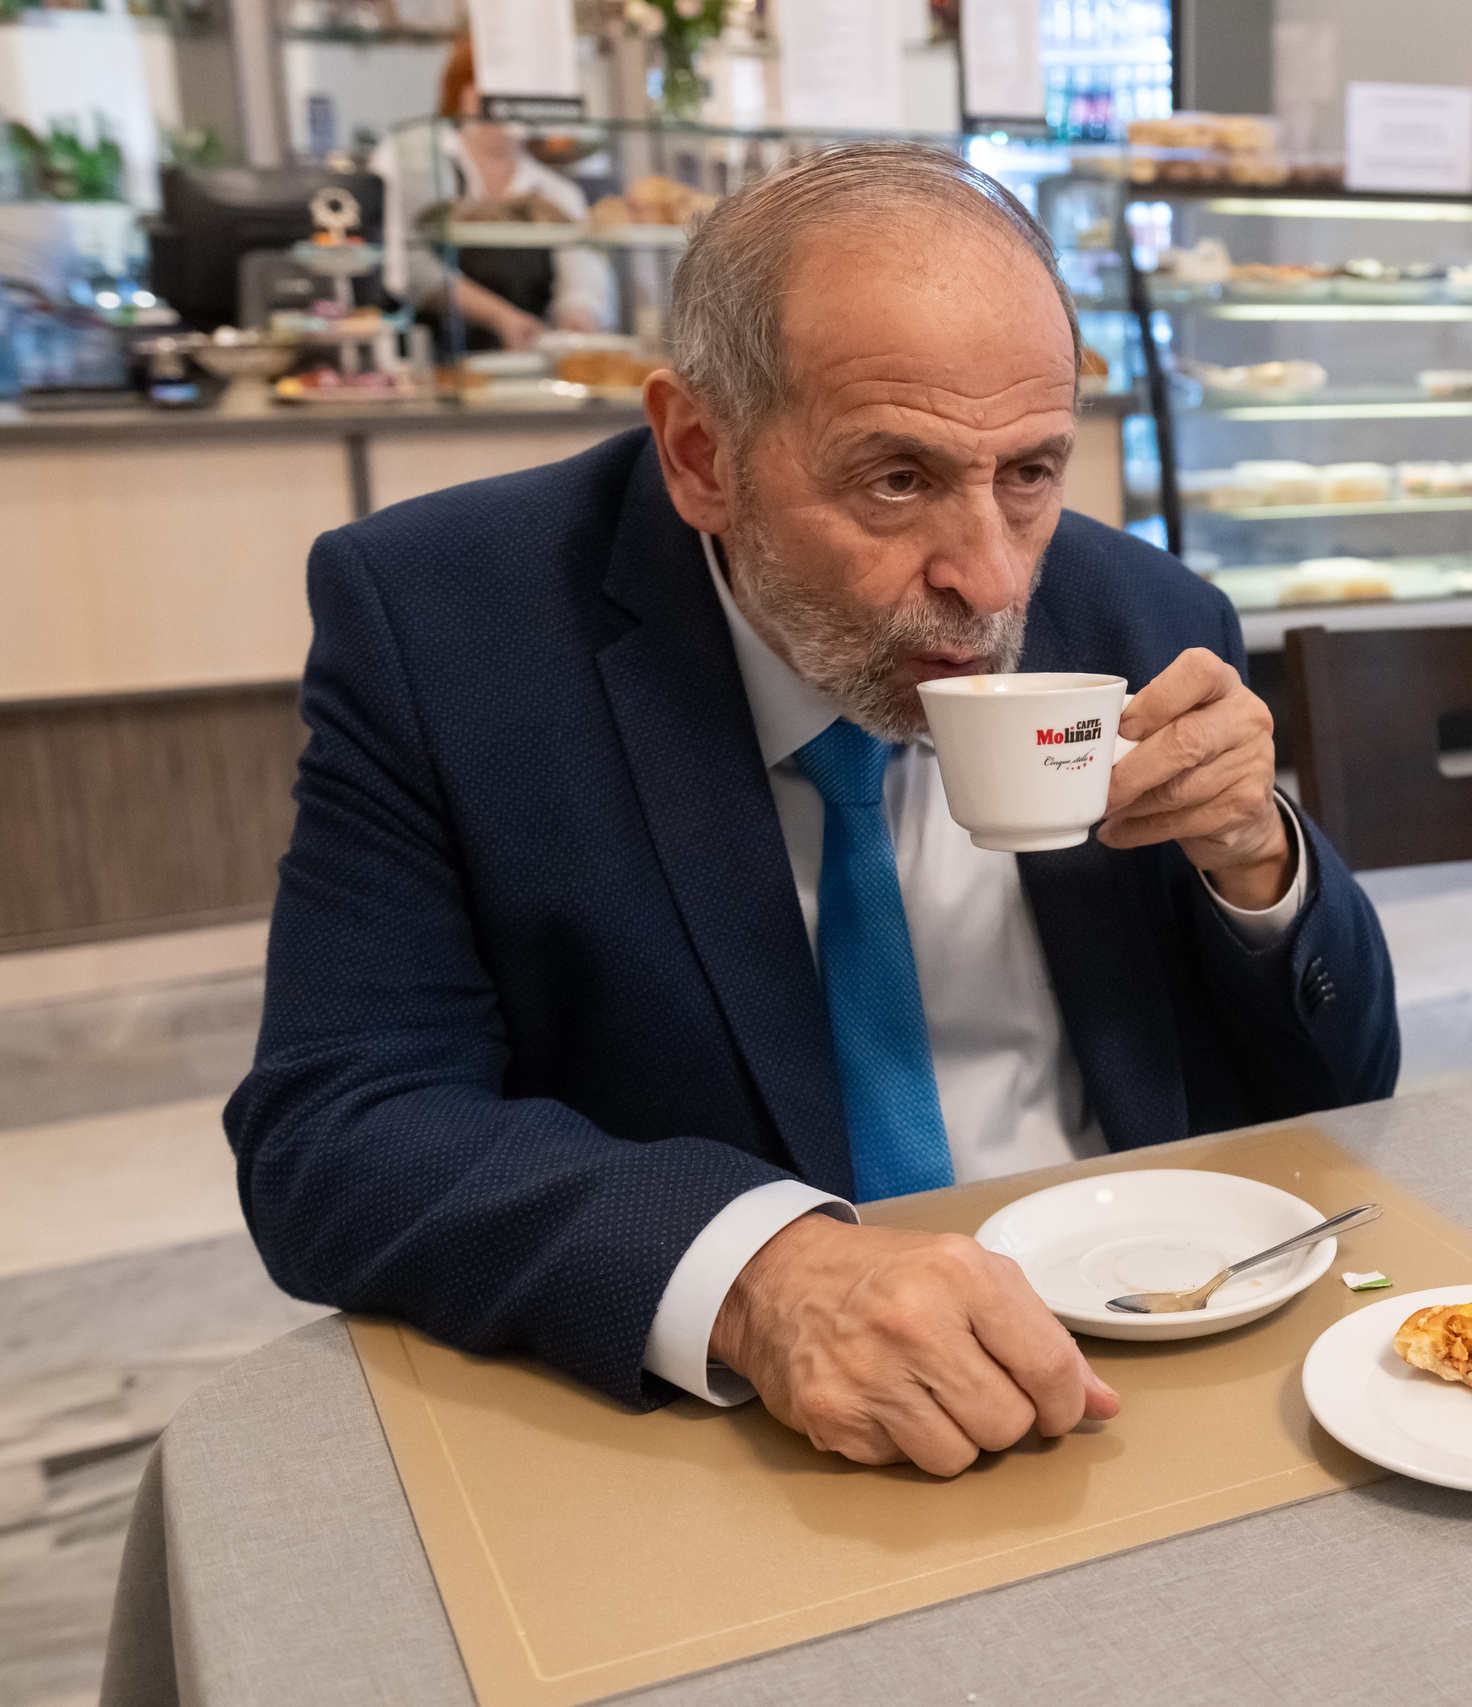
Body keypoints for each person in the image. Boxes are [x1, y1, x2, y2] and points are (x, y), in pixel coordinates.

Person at [226, 142, 1399, 1477]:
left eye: (1030, 471)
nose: (988, 577)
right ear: (697, 452)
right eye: (896, 480)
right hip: (728, 1432)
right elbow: (336, 1130)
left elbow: (1345, 1099)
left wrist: (1260, 867)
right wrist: (756, 1272)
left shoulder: (1147, 619)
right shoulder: (447, 631)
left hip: (1141, 1357)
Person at [373, 35, 616, 351]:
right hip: (436, 365)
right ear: (463, 92)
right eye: (494, 85)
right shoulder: (413, 159)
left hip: (530, 369)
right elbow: (413, 271)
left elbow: (582, 278)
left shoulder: (557, 192)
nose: (509, 101)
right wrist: (502, 318)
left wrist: (578, 320)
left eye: (523, 88)